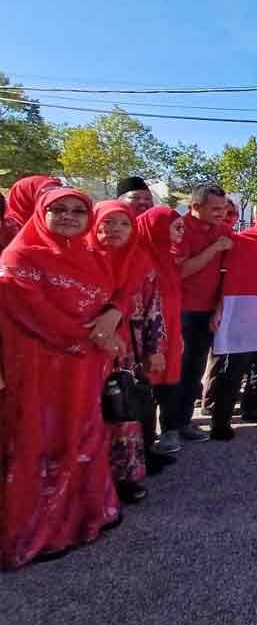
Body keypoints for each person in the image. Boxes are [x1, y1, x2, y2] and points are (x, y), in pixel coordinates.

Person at [0, 187, 122, 570]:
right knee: (43, 441)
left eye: (78, 211)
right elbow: (33, 314)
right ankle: (41, 532)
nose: (69, 217)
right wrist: (95, 334)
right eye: (59, 210)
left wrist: (113, 314)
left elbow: (116, 292)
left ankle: (87, 515)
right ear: (41, 212)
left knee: (84, 436)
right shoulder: (21, 256)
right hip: (41, 368)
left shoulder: (91, 254)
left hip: (86, 366)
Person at [88, 201, 164, 504]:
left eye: (123, 223)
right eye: (107, 222)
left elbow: (153, 310)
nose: (114, 229)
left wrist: (155, 349)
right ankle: (90, 483)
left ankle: (125, 479)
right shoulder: (81, 260)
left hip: (127, 352)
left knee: (123, 414)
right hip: (86, 351)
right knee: (89, 418)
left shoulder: (141, 263)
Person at [208, 199, 257, 440]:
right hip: (241, 318)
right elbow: (222, 278)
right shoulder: (240, 241)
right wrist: (219, 307)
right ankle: (220, 421)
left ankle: (251, 410)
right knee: (233, 370)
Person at [173, 184, 232, 447]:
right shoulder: (178, 229)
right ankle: (170, 426)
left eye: (224, 208)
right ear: (195, 207)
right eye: (215, 209)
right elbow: (181, 271)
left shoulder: (222, 231)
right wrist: (214, 249)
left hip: (208, 311)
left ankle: (183, 421)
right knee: (178, 370)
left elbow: (229, 275)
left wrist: (219, 308)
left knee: (195, 368)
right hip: (181, 311)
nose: (222, 214)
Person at [134, 206, 185, 469]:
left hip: (169, 333)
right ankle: (142, 449)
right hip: (149, 338)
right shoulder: (139, 258)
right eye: (176, 227)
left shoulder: (165, 256)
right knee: (144, 389)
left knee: (164, 384)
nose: (181, 232)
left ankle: (153, 441)